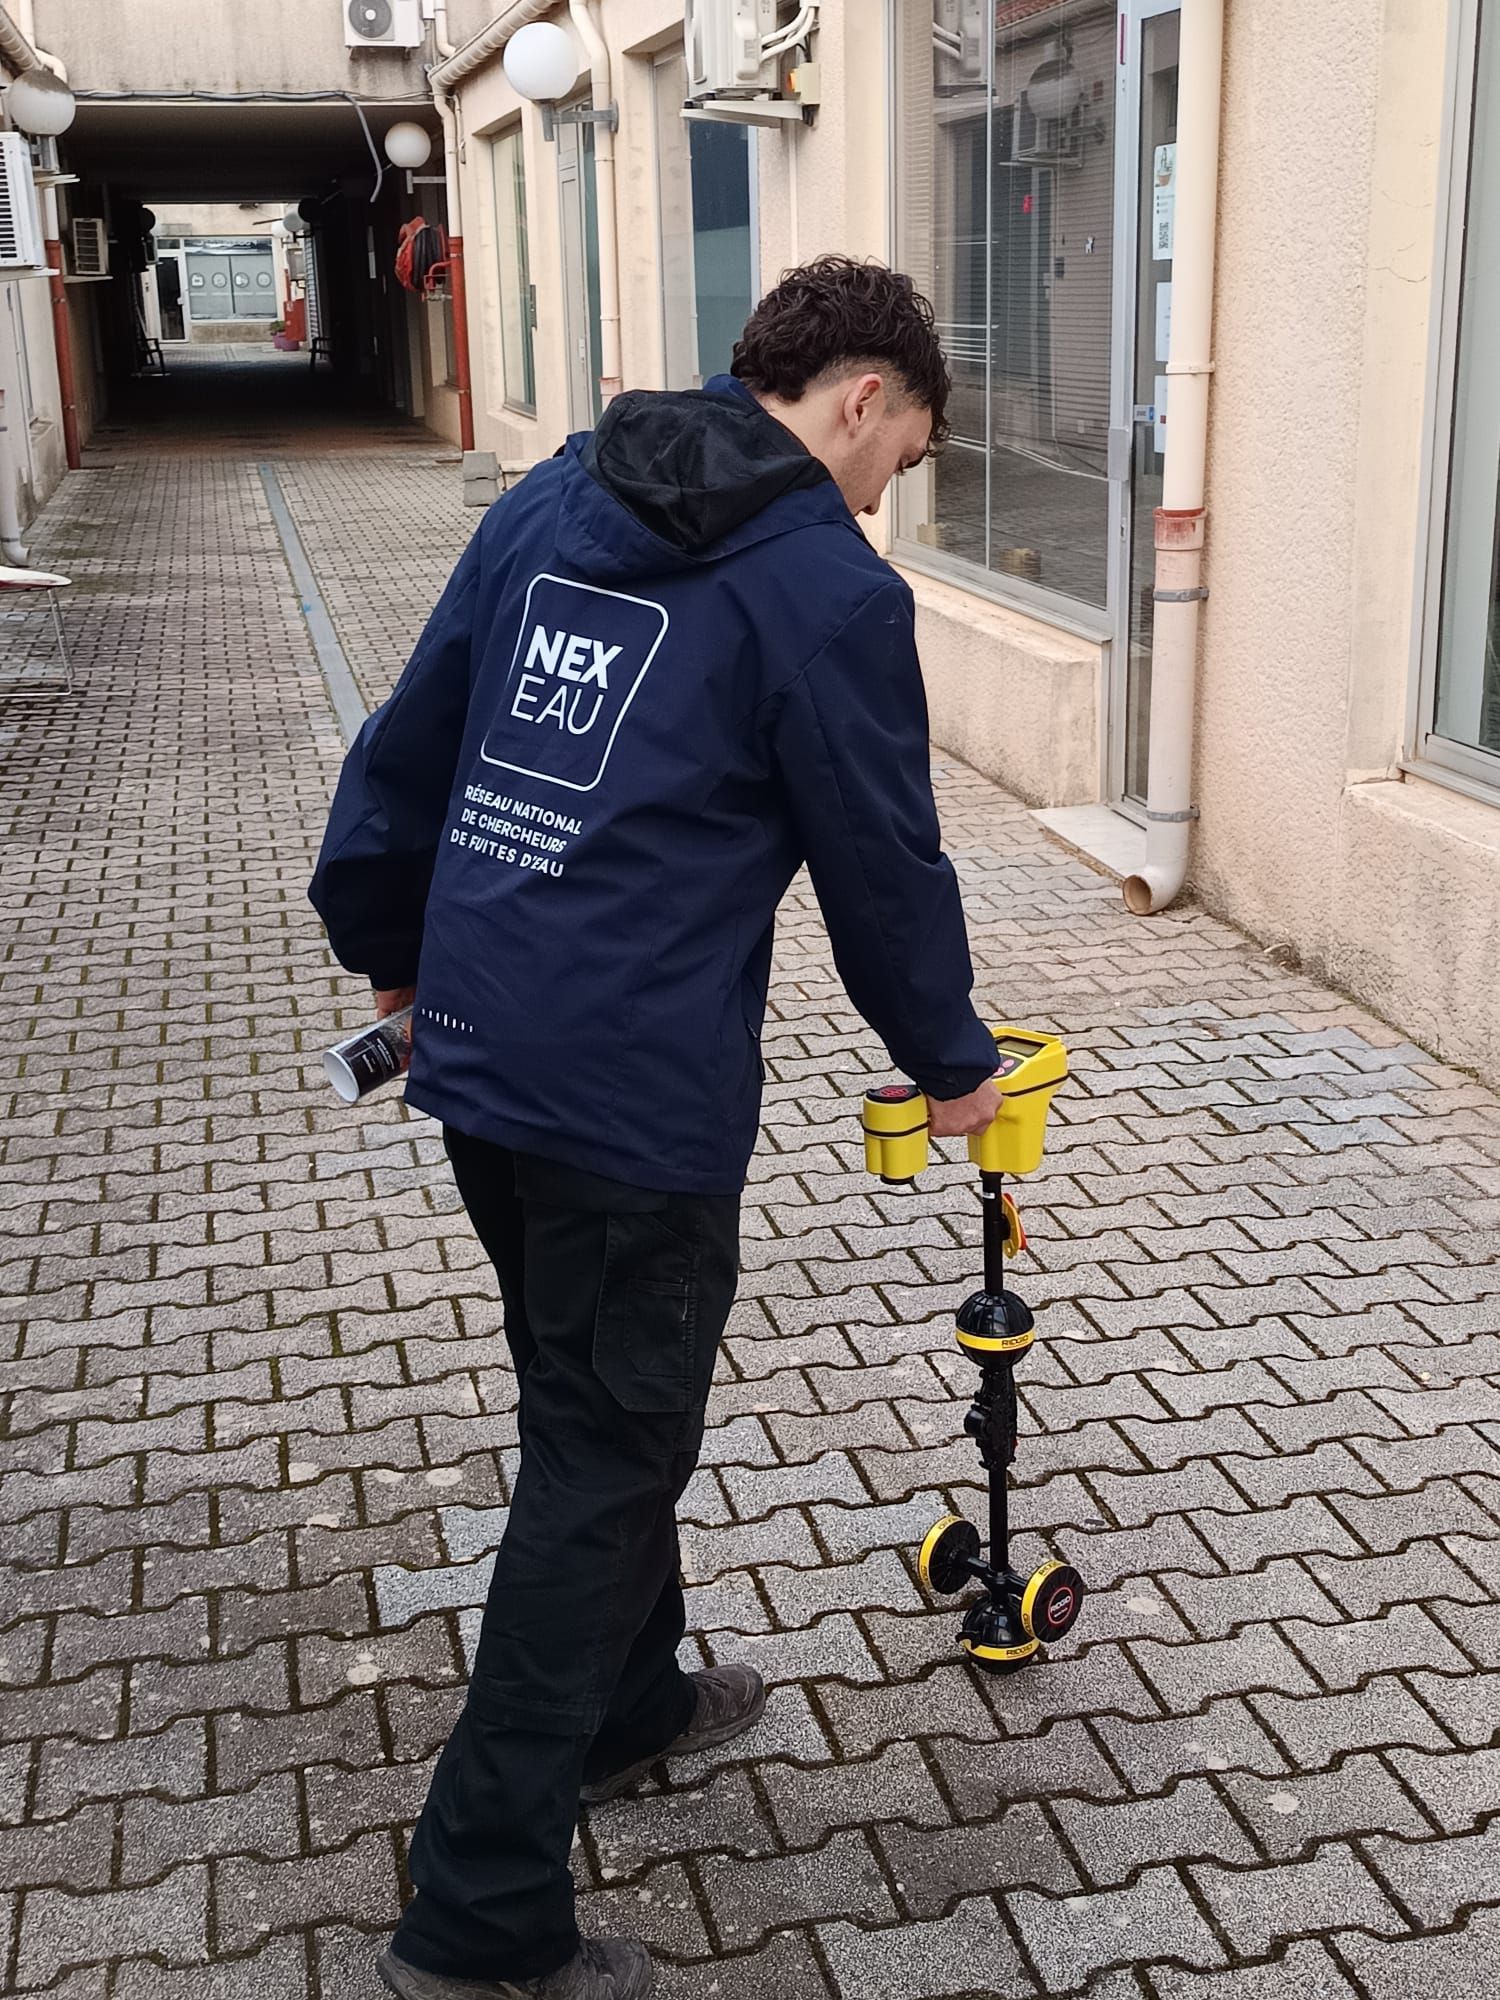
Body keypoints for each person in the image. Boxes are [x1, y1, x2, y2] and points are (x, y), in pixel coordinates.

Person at [309, 254, 1004, 2000]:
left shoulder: (558, 493)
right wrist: (953, 1059)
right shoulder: (822, 591)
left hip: (476, 1046)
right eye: (903, 455)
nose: (888, 492)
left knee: (594, 1407)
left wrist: (389, 953)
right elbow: (885, 863)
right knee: (605, 1458)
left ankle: (632, 1700)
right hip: (631, 1098)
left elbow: (413, 736)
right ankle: (476, 1920)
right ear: (860, 401)